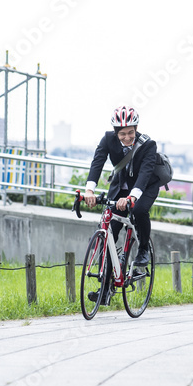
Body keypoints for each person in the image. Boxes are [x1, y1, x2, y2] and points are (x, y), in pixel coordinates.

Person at [84, 105, 161, 304]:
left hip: (145, 187)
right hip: (120, 188)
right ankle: (106, 289)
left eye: (130, 133)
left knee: (140, 210)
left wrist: (132, 197)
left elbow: (144, 174)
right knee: (110, 229)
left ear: (136, 129)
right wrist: (89, 190)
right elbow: (97, 162)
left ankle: (143, 248)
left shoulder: (148, 145)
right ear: (116, 132)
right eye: (122, 134)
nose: (127, 137)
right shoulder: (108, 139)